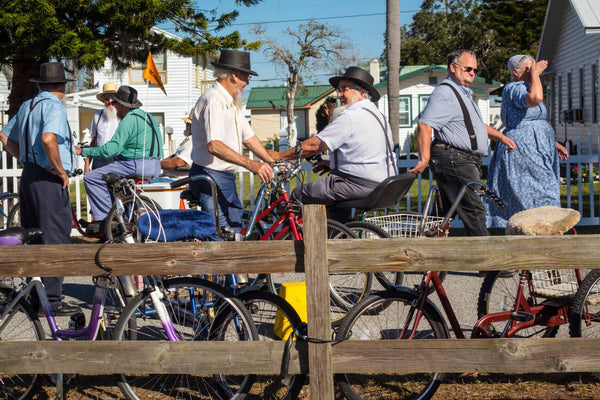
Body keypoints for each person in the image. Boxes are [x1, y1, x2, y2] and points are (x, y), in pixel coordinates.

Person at [0, 61, 80, 316]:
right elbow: (48, 138)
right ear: (62, 87)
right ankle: (53, 301)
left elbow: (4, 137)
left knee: (33, 236)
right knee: (55, 237)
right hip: (47, 178)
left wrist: (24, 158)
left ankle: (36, 298)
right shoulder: (54, 106)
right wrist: (59, 169)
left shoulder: (28, 105)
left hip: (30, 176)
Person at [409, 49, 516, 236]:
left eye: (475, 70)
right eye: (468, 69)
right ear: (453, 67)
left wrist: (501, 137)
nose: (473, 73)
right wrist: (424, 158)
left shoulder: (463, 93)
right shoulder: (445, 93)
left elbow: (475, 126)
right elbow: (425, 124)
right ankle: (489, 264)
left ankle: (426, 258)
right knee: (474, 211)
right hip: (454, 159)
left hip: (460, 159)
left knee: (442, 214)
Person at [274, 66, 397, 222]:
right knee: (333, 204)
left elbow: (314, 146)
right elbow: (366, 153)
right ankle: (339, 236)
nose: (339, 95)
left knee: (299, 193)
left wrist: (279, 155)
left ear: (361, 92)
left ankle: (293, 242)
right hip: (383, 183)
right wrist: (332, 165)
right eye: (338, 90)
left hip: (360, 184)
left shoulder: (351, 116)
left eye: (344, 90)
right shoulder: (377, 115)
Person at [190, 49, 275, 235]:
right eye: (246, 77)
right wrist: (252, 164)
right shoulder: (214, 100)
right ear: (235, 76)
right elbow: (215, 145)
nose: (247, 83)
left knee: (234, 228)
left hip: (224, 176)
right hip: (209, 174)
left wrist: (271, 162)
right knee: (220, 233)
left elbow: (249, 137)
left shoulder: (231, 101)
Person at [486, 55, 569, 227]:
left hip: (538, 148)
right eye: (529, 69)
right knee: (536, 192)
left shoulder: (528, 86)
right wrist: (536, 75)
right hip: (523, 150)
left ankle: (543, 230)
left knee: (544, 188)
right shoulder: (515, 88)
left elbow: (534, 120)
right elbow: (535, 99)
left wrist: (554, 144)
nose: (534, 72)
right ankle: (537, 230)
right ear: (516, 73)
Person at [75, 86, 163, 221]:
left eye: (115, 103)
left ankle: (105, 220)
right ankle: (125, 216)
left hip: (135, 165)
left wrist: (83, 151)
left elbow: (111, 149)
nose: (114, 106)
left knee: (91, 177)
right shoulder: (148, 116)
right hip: (155, 165)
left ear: (121, 104)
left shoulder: (129, 120)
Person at [84, 82, 119, 173]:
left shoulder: (122, 117)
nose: (110, 101)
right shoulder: (97, 115)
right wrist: (87, 164)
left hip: (117, 160)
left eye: (113, 98)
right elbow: (93, 142)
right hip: (98, 159)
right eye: (107, 98)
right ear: (103, 100)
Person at [161, 110, 193, 177]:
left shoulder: (193, 142)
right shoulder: (189, 140)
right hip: (171, 178)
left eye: (189, 123)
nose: (186, 125)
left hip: (177, 181)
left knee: (142, 184)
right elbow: (175, 155)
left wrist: (156, 165)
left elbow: (179, 162)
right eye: (187, 123)